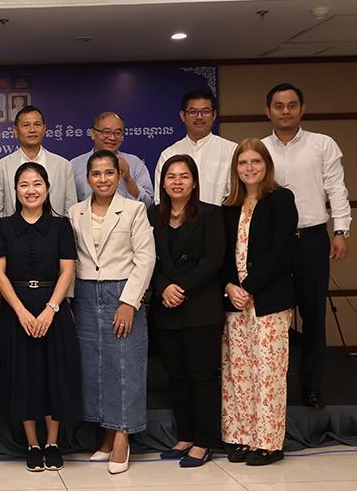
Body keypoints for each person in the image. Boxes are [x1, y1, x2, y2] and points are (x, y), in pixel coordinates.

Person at [261, 83, 351, 408]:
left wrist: (341, 230)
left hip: (312, 240)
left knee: (313, 317)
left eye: (292, 105)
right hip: (273, 246)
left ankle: (311, 386)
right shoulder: (259, 149)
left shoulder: (322, 144)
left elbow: (336, 190)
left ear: (302, 109)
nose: (285, 111)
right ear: (268, 111)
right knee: (273, 321)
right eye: (279, 105)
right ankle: (274, 390)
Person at [68, 150, 155, 474]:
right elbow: (72, 261)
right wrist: (72, 302)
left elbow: (145, 258)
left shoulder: (133, 210)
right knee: (94, 368)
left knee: (125, 366)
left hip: (122, 293)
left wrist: (130, 302)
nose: (103, 179)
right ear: (87, 178)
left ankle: (122, 438)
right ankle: (106, 436)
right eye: (96, 174)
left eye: (109, 173)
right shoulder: (74, 212)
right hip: (86, 295)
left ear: (118, 177)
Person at [0, 162, 81, 472]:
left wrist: (50, 310)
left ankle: (53, 443)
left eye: (37, 183)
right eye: (24, 185)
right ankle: (32, 443)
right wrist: (20, 311)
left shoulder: (61, 226)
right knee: (23, 376)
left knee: (53, 374)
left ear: (47, 188)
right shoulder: (2, 226)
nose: (31, 190)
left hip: (52, 307)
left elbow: (67, 270)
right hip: (16, 309)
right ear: (16, 191)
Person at [221, 138, 297, 466]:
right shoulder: (228, 207)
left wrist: (248, 286)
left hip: (268, 299)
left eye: (256, 162)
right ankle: (241, 438)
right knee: (238, 372)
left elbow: (281, 251)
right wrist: (229, 287)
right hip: (235, 301)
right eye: (243, 163)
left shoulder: (281, 199)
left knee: (267, 372)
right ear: (235, 168)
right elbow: (221, 255)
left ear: (267, 165)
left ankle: (268, 442)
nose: (249, 168)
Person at [147, 154, 225, 468]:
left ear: (194, 182)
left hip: (201, 308)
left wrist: (181, 289)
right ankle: (185, 436)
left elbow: (213, 259)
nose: (177, 182)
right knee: (176, 376)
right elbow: (145, 258)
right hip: (166, 308)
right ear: (162, 183)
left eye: (184, 176)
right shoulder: (152, 215)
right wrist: (163, 286)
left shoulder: (211, 214)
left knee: (201, 376)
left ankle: (205, 441)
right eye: (171, 177)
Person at [0, 106, 77, 221]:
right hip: (13, 236)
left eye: (37, 125)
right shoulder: (1, 167)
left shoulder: (63, 165)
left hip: (55, 236)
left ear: (44, 129)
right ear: (16, 131)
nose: (32, 130)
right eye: (26, 125)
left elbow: (70, 211)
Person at [155, 90, 237, 206]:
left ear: (214, 115)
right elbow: (161, 198)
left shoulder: (231, 150)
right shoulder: (169, 154)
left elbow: (236, 194)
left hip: (220, 221)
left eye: (205, 112)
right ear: (183, 116)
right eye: (193, 112)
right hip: (179, 222)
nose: (199, 117)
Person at [70, 112, 154, 208]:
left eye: (118, 133)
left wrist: (128, 179)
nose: (112, 137)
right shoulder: (74, 166)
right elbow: (70, 206)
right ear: (93, 133)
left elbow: (147, 202)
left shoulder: (134, 163)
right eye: (106, 132)